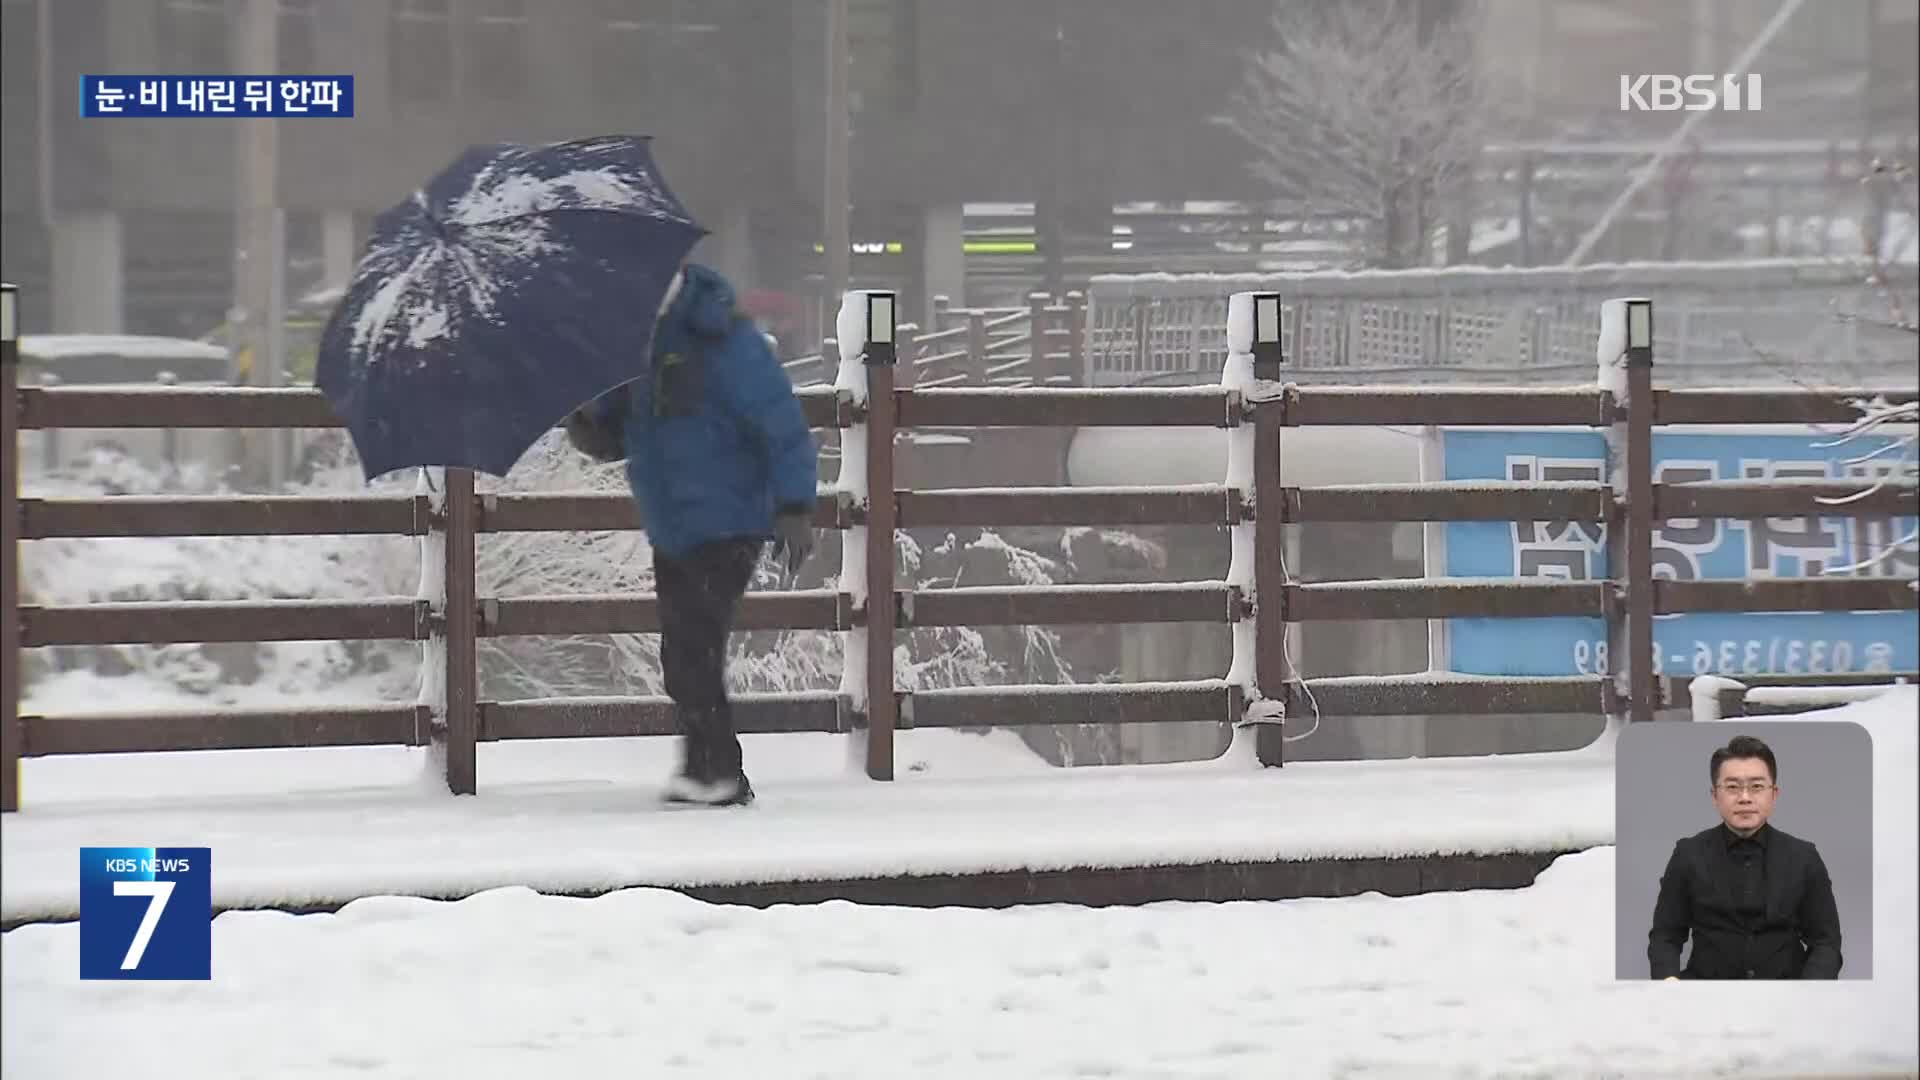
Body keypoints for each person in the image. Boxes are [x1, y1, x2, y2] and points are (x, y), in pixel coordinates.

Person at [567, 263, 818, 807]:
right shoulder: (630, 348)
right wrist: (585, 419)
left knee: (694, 648)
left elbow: (783, 423)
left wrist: (795, 504)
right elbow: (615, 435)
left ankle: (718, 771)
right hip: (673, 523)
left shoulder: (724, 337)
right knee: (681, 656)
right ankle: (706, 768)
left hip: (730, 520)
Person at [1647, 734, 1843, 979]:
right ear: (1714, 796)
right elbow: (1665, 935)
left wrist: (1809, 992)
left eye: (1757, 787)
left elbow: (1826, 942)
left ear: (1774, 794)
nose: (1745, 798)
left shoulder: (1804, 857)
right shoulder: (1688, 854)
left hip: (1787, 997)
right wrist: (1669, 984)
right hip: (1706, 995)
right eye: (1732, 787)